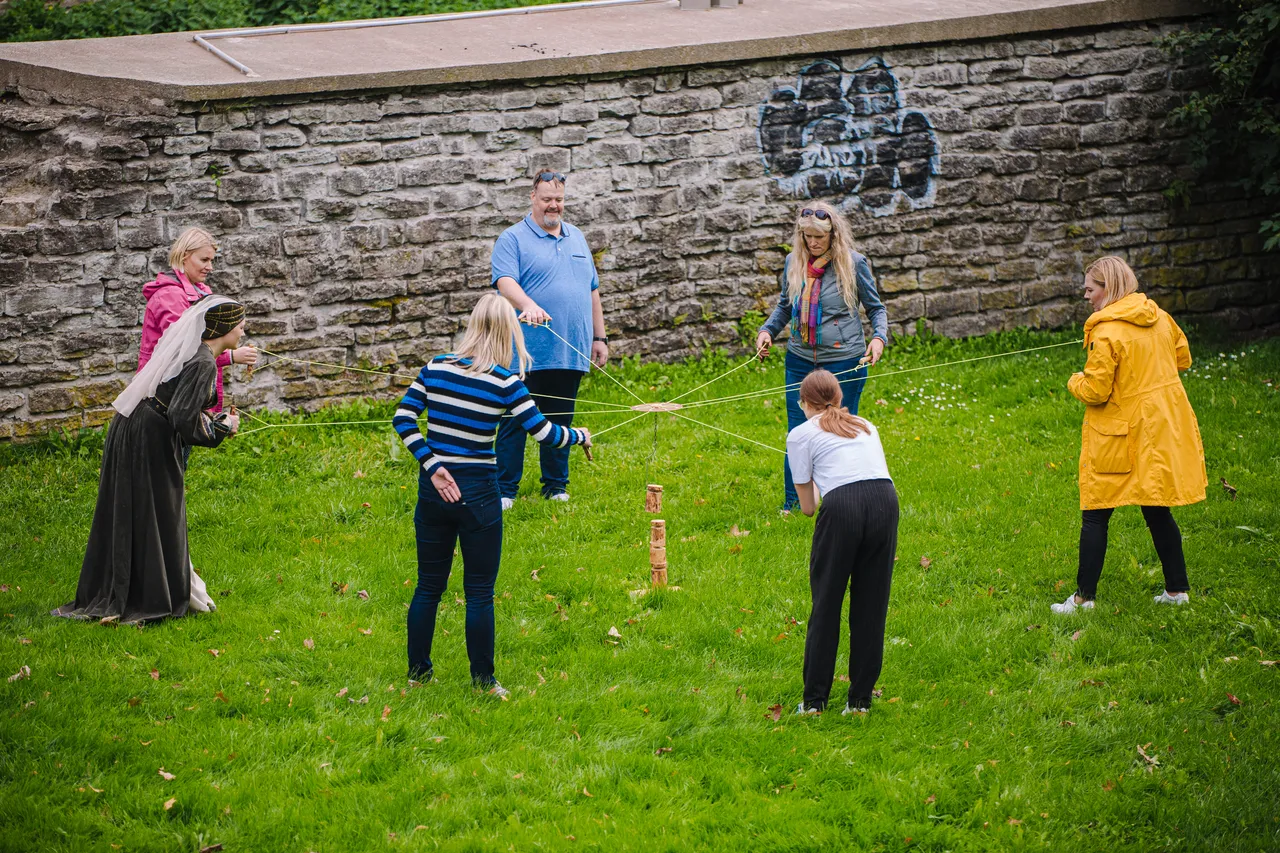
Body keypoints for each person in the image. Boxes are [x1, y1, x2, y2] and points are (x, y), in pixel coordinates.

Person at [393, 293, 593, 697]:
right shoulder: (507, 382)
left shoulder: (435, 366)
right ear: (509, 331)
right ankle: (484, 683)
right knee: (480, 592)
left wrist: (432, 465)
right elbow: (545, 433)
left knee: (428, 586)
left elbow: (403, 419)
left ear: (473, 324)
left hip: (434, 490)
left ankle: (417, 674)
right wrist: (580, 435)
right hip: (479, 494)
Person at [53, 298, 244, 625]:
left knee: (140, 509)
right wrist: (223, 426)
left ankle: (138, 588)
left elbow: (178, 404)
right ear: (225, 328)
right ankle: (148, 597)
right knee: (158, 511)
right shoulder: (203, 362)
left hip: (135, 424)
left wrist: (213, 421)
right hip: (148, 435)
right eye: (240, 325)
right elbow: (182, 417)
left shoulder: (195, 352)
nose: (243, 331)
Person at [1051, 257, 1207, 614]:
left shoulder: (1105, 332)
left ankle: (1083, 600)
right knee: (1157, 510)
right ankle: (1176, 591)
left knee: (1095, 514)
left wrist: (1075, 380)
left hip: (1119, 435)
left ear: (1109, 288)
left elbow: (1096, 391)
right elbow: (1182, 358)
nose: (1086, 296)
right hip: (1158, 430)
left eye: (1090, 289)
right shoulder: (1160, 316)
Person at [756, 201, 889, 513]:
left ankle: (841, 498)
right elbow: (785, 306)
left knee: (840, 430)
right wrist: (767, 331)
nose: (813, 243)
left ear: (833, 235)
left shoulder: (853, 264)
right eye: (807, 237)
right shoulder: (794, 262)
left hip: (844, 359)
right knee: (798, 432)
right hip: (800, 359)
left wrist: (879, 338)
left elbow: (876, 308)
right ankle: (793, 504)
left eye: (819, 237)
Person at [491, 169, 608, 510]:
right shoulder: (512, 239)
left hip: (569, 349)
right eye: (546, 199)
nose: (553, 205)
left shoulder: (577, 237)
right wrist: (528, 305)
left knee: (560, 419)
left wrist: (599, 337)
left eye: (558, 199)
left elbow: (592, 290)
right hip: (524, 351)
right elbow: (504, 281)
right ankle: (505, 491)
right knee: (515, 420)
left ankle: (556, 486)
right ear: (533, 197)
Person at [787, 369, 898, 716]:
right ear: (838, 398)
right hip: (885, 501)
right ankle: (859, 702)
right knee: (871, 604)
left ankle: (814, 702)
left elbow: (808, 507)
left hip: (843, 508)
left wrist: (813, 477)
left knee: (827, 602)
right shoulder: (865, 425)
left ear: (804, 403)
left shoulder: (800, 434)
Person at [140, 227, 257, 416]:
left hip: (180, 387)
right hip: (164, 393)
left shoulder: (200, 292)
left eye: (211, 260)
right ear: (184, 256)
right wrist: (230, 356)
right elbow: (184, 349)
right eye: (204, 260)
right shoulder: (170, 296)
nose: (210, 267)